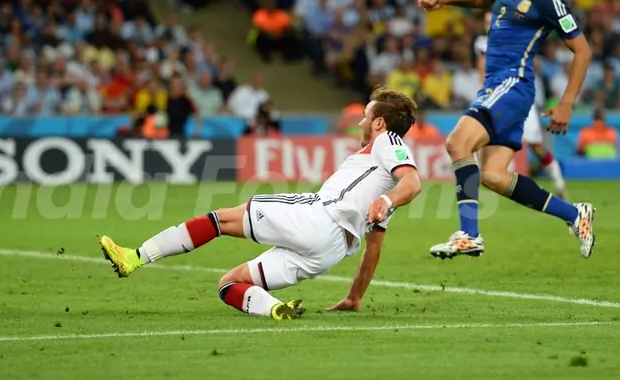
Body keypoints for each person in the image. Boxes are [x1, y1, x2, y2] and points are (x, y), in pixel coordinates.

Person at [99, 87, 423, 320]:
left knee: (219, 220)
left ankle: (135, 257)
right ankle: (273, 308)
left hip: (318, 218)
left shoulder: (388, 143)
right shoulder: (380, 182)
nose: (360, 122)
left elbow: (413, 182)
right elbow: (374, 247)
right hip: (329, 253)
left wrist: (386, 198)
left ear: (380, 123)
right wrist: (354, 297)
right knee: (229, 284)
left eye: (365, 115)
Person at [418, 0, 595, 260]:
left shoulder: (547, 0)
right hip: (496, 86)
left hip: (513, 83)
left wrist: (566, 103)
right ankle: (575, 214)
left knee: (457, 142)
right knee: (493, 177)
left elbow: (582, 51)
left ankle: (469, 234)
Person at [474, 13, 568, 198]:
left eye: (491, 20)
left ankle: (559, 183)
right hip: (495, 101)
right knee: (477, 138)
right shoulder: (483, 43)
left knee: (536, 145)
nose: (489, 24)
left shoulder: (512, 40)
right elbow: (482, 68)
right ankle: (477, 180)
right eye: (486, 21)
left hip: (519, 100)